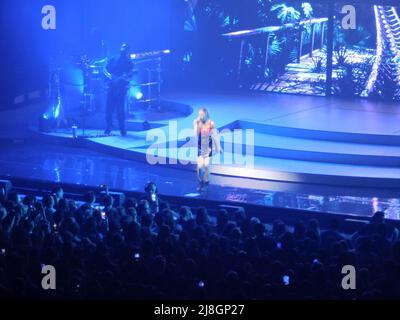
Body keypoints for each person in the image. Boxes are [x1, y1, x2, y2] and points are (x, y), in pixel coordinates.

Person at [104, 43, 134, 136]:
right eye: (122, 47)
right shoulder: (113, 59)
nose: (123, 49)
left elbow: (130, 76)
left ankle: (122, 129)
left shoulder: (129, 63)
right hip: (112, 87)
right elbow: (106, 70)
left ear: (128, 50)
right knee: (109, 109)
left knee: (120, 110)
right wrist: (110, 79)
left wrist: (124, 79)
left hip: (120, 89)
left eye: (125, 47)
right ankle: (109, 128)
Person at [193, 107, 222, 191]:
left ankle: (205, 181)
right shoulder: (197, 122)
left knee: (206, 165)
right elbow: (195, 135)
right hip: (200, 146)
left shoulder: (211, 123)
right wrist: (196, 125)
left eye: (202, 114)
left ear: (206, 114)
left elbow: (215, 136)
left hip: (208, 147)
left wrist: (218, 147)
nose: (200, 116)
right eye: (199, 114)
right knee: (199, 166)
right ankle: (201, 180)